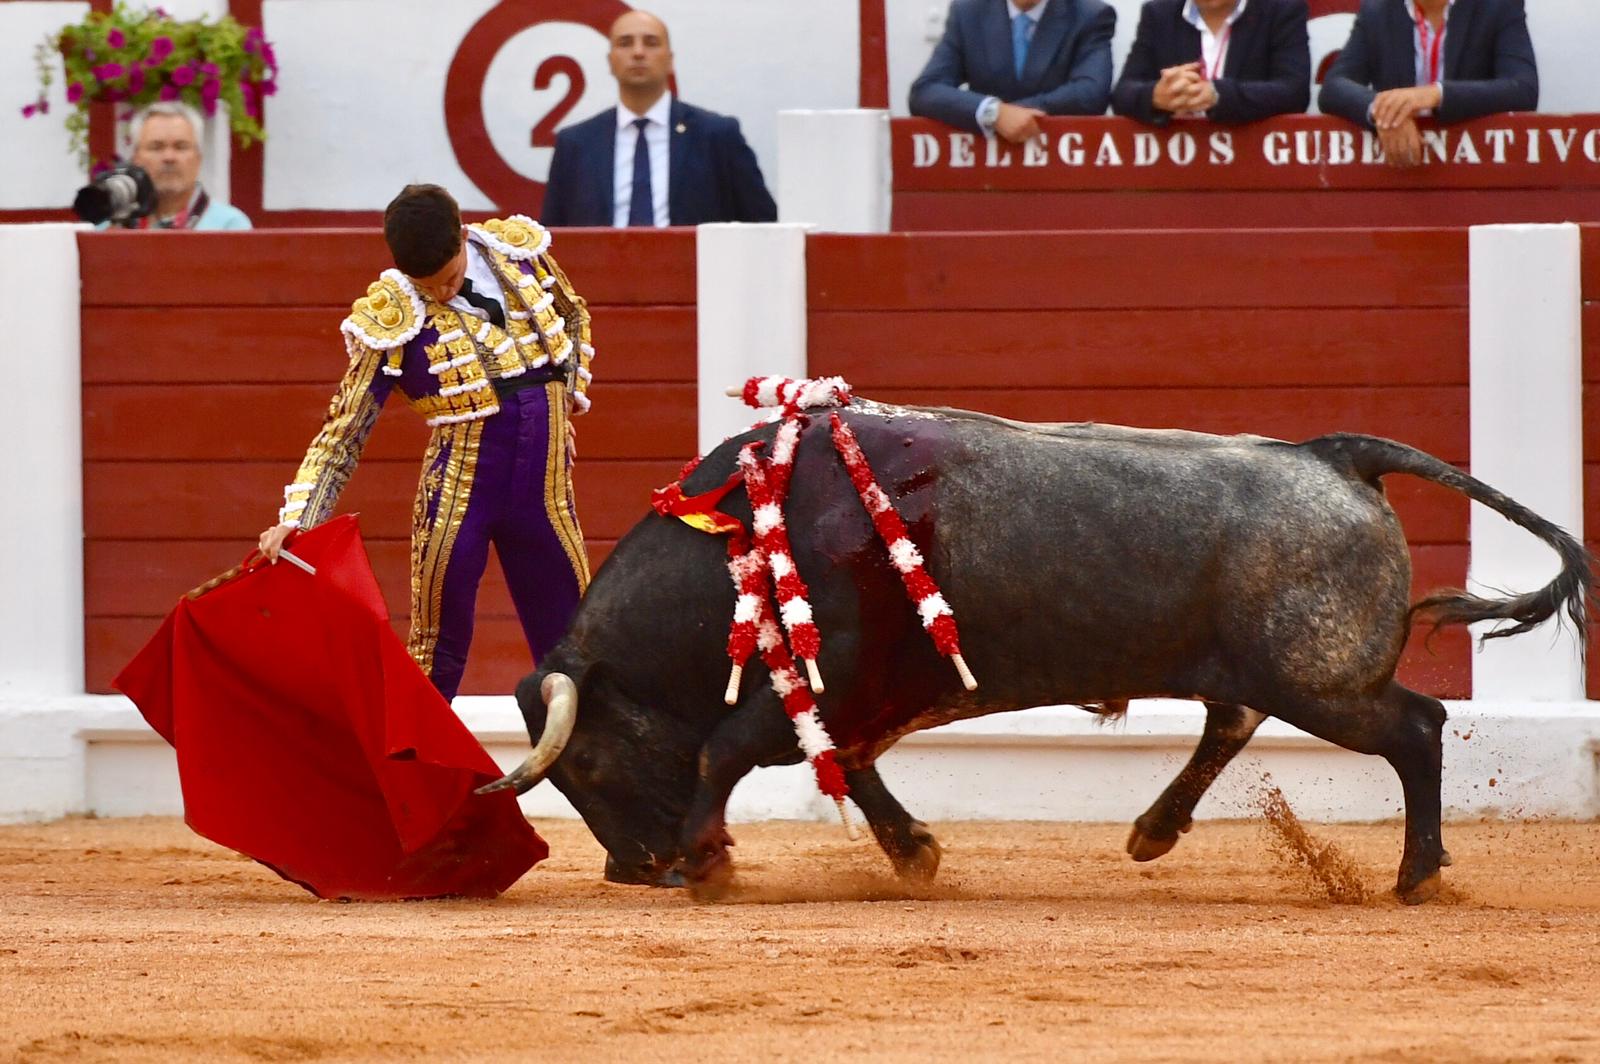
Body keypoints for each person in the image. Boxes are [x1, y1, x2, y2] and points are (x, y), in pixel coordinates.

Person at [258, 184, 595, 701]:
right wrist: (298, 516)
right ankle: (412, 776)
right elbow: (344, 431)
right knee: (436, 652)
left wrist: (566, 399)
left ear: (463, 236)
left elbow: (571, 315)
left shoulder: (520, 254)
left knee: (579, 644)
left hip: (545, 491)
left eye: (450, 280)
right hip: (461, 494)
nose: (439, 295)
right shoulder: (392, 315)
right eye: (427, 287)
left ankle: (597, 775)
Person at [540, 9, 776, 227]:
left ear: (670, 59)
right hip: (600, 270)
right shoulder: (576, 144)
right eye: (625, 43)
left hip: (695, 271)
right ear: (610, 61)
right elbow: (552, 238)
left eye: (651, 43)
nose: (638, 52)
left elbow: (762, 225)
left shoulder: (717, 136)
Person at [1318, 0, 1537, 168]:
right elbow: (1334, 86)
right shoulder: (1379, 10)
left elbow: (1523, 89)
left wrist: (1436, 95)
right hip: (1400, 170)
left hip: (1476, 168)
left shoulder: (1497, 6)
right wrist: (1386, 111)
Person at [908, 0, 1117, 145]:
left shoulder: (1090, 14)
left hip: (1058, 164)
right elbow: (925, 91)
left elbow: (1091, 93)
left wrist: (1013, 114)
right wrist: (992, 113)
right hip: (985, 171)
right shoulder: (968, 13)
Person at [1111, 0, 1310, 126]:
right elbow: (1123, 94)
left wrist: (1218, 96)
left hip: (1252, 160)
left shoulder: (1282, 10)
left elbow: (1294, 92)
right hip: (1176, 163)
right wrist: (1156, 97)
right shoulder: (1158, 14)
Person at [109, 102, 251, 230]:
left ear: (198, 158)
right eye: (156, 147)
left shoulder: (230, 226)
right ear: (136, 159)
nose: (169, 157)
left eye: (181, 147)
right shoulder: (115, 224)